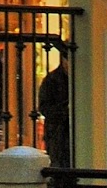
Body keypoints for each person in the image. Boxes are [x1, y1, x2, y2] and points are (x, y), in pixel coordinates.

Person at [38, 37, 71, 167]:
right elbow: (44, 108)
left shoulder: (81, 79)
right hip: (58, 135)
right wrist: (64, 110)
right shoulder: (52, 80)